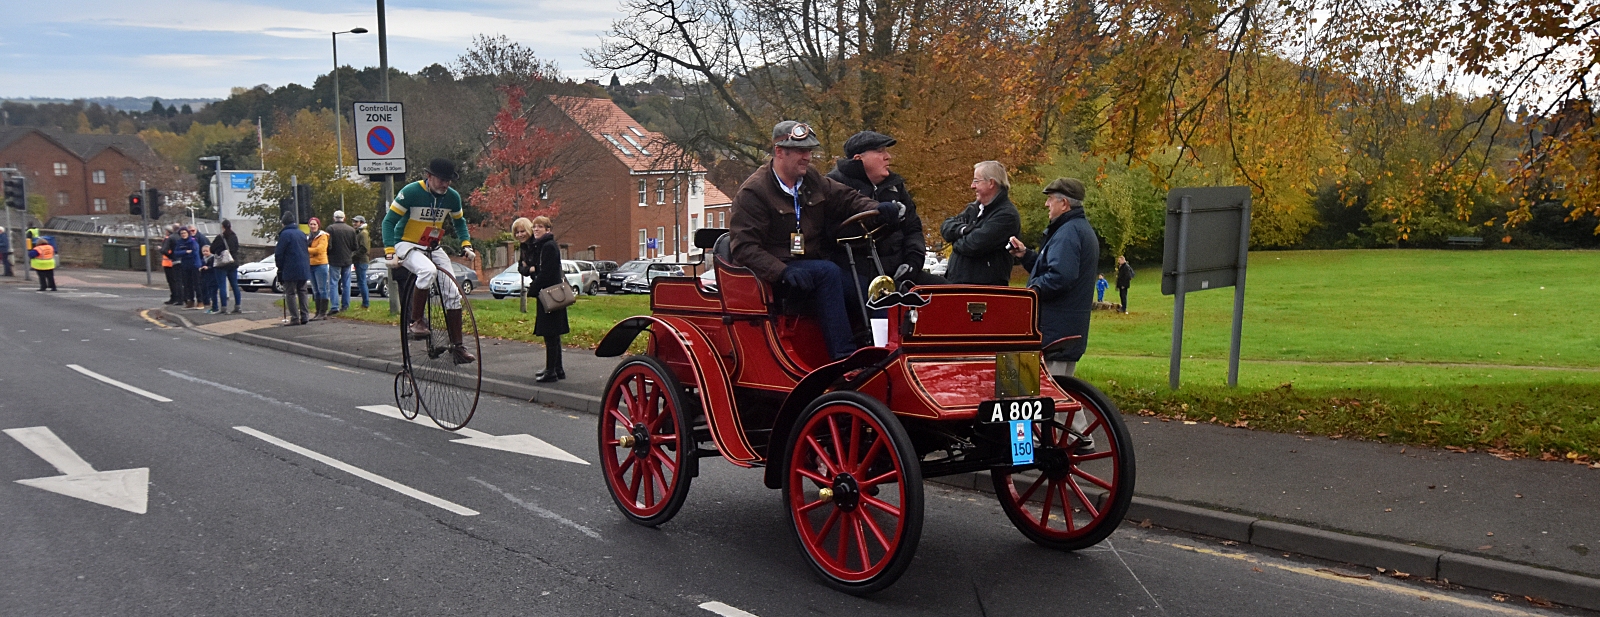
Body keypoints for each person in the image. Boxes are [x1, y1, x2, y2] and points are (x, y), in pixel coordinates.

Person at [729, 120, 904, 361]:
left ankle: (888, 352)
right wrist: (781, 271)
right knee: (828, 272)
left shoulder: (810, 179)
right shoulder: (754, 192)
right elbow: (743, 248)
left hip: (812, 268)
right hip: (775, 274)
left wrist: (877, 208)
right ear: (780, 151)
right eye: (801, 151)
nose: (807, 157)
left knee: (871, 288)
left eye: (809, 151)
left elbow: (846, 199)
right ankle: (845, 359)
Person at [382, 158, 477, 364]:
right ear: (429, 176)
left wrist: (466, 244)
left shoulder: (452, 197)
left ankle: (458, 348)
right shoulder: (411, 192)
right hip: (407, 244)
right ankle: (416, 321)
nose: (445, 184)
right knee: (427, 271)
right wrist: (390, 251)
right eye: (442, 180)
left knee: (453, 291)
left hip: (433, 245)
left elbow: (459, 222)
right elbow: (388, 222)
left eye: (449, 181)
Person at [826, 130, 942, 289]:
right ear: (858, 159)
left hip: (898, 269)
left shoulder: (895, 185)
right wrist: (878, 221)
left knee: (951, 294)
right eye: (880, 152)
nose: (888, 156)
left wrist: (912, 263)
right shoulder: (834, 186)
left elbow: (913, 227)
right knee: (881, 305)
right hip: (854, 271)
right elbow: (831, 233)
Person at [1008, 177, 1098, 378]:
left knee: (1051, 400)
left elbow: (1060, 277)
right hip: (1065, 331)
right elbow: (1056, 269)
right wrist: (1027, 255)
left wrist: (1030, 294)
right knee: (1065, 398)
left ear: (1064, 203)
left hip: (1055, 333)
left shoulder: (1068, 233)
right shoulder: (1077, 229)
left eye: (1050, 199)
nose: (1046, 204)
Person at [940, 161, 1022, 286]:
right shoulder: (974, 209)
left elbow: (973, 244)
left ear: (991, 183)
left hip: (983, 291)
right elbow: (946, 226)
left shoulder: (1007, 215)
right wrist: (963, 230)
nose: (972, 186)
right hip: (959, 285)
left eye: (976, 181)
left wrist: (955, 241)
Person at [517, 216, 569, 382]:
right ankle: (557, 369)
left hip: (550, 293)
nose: (537, 229)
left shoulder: (548, 246)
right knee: (553, 334)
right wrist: (532, 269)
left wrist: (533, 288)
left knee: (550, 333)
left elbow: (546, 272)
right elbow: (525, 267)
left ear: (548, 229)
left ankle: (551, 372)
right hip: (550, 293)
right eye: (535, 226)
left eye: (540, 227)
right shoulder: (541, 245)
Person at [274, 212, 312, 326]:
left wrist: (280, 267)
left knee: (290, 292)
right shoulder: (301, 233)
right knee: (302, 291)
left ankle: (295, 318)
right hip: (303, 266)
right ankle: (305, 316)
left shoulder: (285, 235)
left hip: (290, 267)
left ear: (283, 223)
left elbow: (279, 253)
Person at [325, 210, 359, 316]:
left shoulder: (330, 229)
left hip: (334, 260)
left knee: (334, 283)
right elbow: (355, 246)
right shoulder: (351, 230)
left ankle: (334, 306)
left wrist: (329, 254)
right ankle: (345, 305)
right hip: (347, 259)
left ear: (334, 218)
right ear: (344, 218)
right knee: (346, 284)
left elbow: (328, 246)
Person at [212, 219, 243, 314]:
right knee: (235, 285)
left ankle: (224, 308)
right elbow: (237, 248)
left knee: (222, 286)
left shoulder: (220, 237)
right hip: (232, 263)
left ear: (223, 227)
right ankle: (238, 306)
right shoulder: (234, 236)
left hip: (222, 265)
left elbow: (212, 249)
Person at [306, 217, 330, 321]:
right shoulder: (308, 237)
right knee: (315, 290)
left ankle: (323, 312)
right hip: (311, 264)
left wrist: (306, 250)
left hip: (321, 264)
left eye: (314, 224)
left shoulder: (323, 236)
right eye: (311, 224)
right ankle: (317, 311)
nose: (312, 226)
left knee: (322, 289)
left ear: (318, 225)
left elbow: (319, 250)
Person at [171, 227, 201, 308]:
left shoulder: (193, 241)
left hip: (194, 264)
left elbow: (194, 252)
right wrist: (185, 252)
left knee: (197, 284)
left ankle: (200, 301)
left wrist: (184, 253)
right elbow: (176, 253)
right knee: (187, 284)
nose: (183, 235)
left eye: (185, 233)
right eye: (182, 233)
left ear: (188, 233)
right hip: (185, 265)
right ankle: (190, 301)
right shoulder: (179, 242)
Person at [351, 215, 372, 309]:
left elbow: (364, 248)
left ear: (361, 223)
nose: (354, 223)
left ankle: (365, 304)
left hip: (361, 260)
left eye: (356, 222)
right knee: (361, 282)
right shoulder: (359, 232)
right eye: (353, 222)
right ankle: (365, 303)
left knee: (362, 282)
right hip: (359, 260)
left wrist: (353, 255)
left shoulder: (363, 233)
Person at [160, 225, 181, 305]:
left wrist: (161, 250)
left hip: (169, 263)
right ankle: (177, 298)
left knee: (172, 282)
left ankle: (174, 298)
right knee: (177, 281)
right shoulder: (179, 237)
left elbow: (165, 250)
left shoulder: (168, 239)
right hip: (175, 262)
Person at [199, 245, 220, 313]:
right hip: (206, 278)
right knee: (210, 293)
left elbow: (214, 268)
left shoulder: (213, 258)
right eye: (203, 251)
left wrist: (208, 268)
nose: (205, 253)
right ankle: (213, 307)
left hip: (213, 278)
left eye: (207, 251)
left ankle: (215, 307)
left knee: (213, 293)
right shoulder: (203, 258)